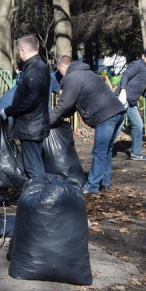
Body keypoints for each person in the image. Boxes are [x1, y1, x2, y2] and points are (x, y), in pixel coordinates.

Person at [50, 56, 126, 195]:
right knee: (106, 151)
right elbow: (73, 103)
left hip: (106, 115)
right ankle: (105, 182)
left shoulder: (71, 77)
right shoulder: (86, 73)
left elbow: (65, 103)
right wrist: (61, 116)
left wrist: (49, 120)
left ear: (62, 67)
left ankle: (92, 186)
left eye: (59, 71)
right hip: (118, 111)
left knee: (99, 152)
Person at [0, 35, 51, 178]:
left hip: (31, 125)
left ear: (22, 50)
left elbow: (30, 99)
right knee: (32, 162)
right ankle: (35, 193)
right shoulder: (38, 66)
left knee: (33, 167)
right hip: (33, 124)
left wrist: (7, 111)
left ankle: (38, 196)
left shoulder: (34, 69)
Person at [114, 47, 146, 160]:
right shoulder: (136, 65)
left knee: (138, 125)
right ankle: (104, 150)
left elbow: (141, 90)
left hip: (131, 101)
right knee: (118, 125)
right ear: (143, 56)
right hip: (123, 99)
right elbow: (125, 76)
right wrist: (123, 91)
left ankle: (136, 153)